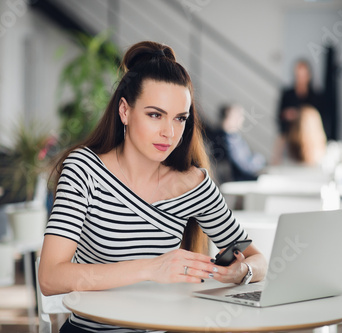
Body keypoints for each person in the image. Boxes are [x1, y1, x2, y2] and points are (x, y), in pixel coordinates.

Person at [38, 41, 267, 333]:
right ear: (124, 111)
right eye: (155, 115)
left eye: (180, 119)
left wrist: (242, 271)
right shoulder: (84, 169)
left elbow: (258, 260)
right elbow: (50, 277)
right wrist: (151, 268)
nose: (169, 133)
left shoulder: (193, 185)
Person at [208, 104, 266, 183]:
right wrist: (259, 160)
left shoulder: (230, 137)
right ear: (230, 117)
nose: (242, 119)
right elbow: (244, 166)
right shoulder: (227, 140)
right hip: (240, 180)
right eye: (239, 116)